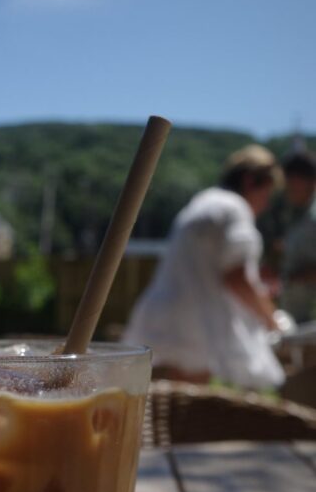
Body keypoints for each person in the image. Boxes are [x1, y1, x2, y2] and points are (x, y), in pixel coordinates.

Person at [123, 145, 284, 389]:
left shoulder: (203, 201)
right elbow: (235, 277)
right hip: (192, 326)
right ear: (251, 181)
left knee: (154, 406)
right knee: (186, 413)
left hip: (160, 314)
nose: (265, 205)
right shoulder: (234, 208)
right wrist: (269, 317)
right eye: (266, 194)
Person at [281, 149, 316, 323]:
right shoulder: (298, 214)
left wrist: (295, 277)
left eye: (291, 183)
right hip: (299, 319)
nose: (287, 189)